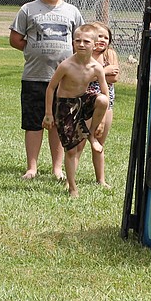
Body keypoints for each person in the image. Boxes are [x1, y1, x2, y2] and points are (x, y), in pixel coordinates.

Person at [9, 0, 84, 180]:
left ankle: (57, 168)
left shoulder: (72, 11)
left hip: (64, 80)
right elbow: (15, 39)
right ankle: (32, 167)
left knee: (59, 123)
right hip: (35, 76)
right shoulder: (28, 10)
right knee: (34, 122)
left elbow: (78, 40)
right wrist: (34, 48)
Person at [43, 24, 110, 197]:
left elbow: (105, 92)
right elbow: (51, 89)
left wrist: (101, 121)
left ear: (94, 44)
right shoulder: (66, 65)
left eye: (86, 41)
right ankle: (72, 187)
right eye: (77, 41)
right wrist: (49, 114)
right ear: (73, 43)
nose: (81, 44)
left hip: (83, 100)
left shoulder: (96, 68)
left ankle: (92, 135)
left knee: (102, 99)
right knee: (71, 150)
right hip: (66, 105)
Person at [87, 21, 120, 188]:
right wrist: (103, 72)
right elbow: (78, 77)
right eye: (99, 36)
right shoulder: (83, 53)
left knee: (99, 143)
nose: (102, 40)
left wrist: (94, 74)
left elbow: (114, 78)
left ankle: (101, 180)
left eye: (106, 37)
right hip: (84, 102)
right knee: (77, 145)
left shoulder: (110, 55)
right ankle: (69, 179)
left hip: (107, 104)